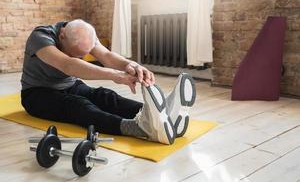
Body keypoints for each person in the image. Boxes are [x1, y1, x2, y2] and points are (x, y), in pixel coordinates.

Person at [21, 19, 196, 145]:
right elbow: (68, 65)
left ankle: (161, 113)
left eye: (85, 54)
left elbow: (106, 56)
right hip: (37, 94)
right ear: (62, 36)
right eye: (77, 53)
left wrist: (131, 65)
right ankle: (139, 128)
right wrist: (114, 75)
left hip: (69, 85)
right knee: (78, 105)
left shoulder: (82, 34)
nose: (81, 57)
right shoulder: (41, 37)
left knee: (105, 96)